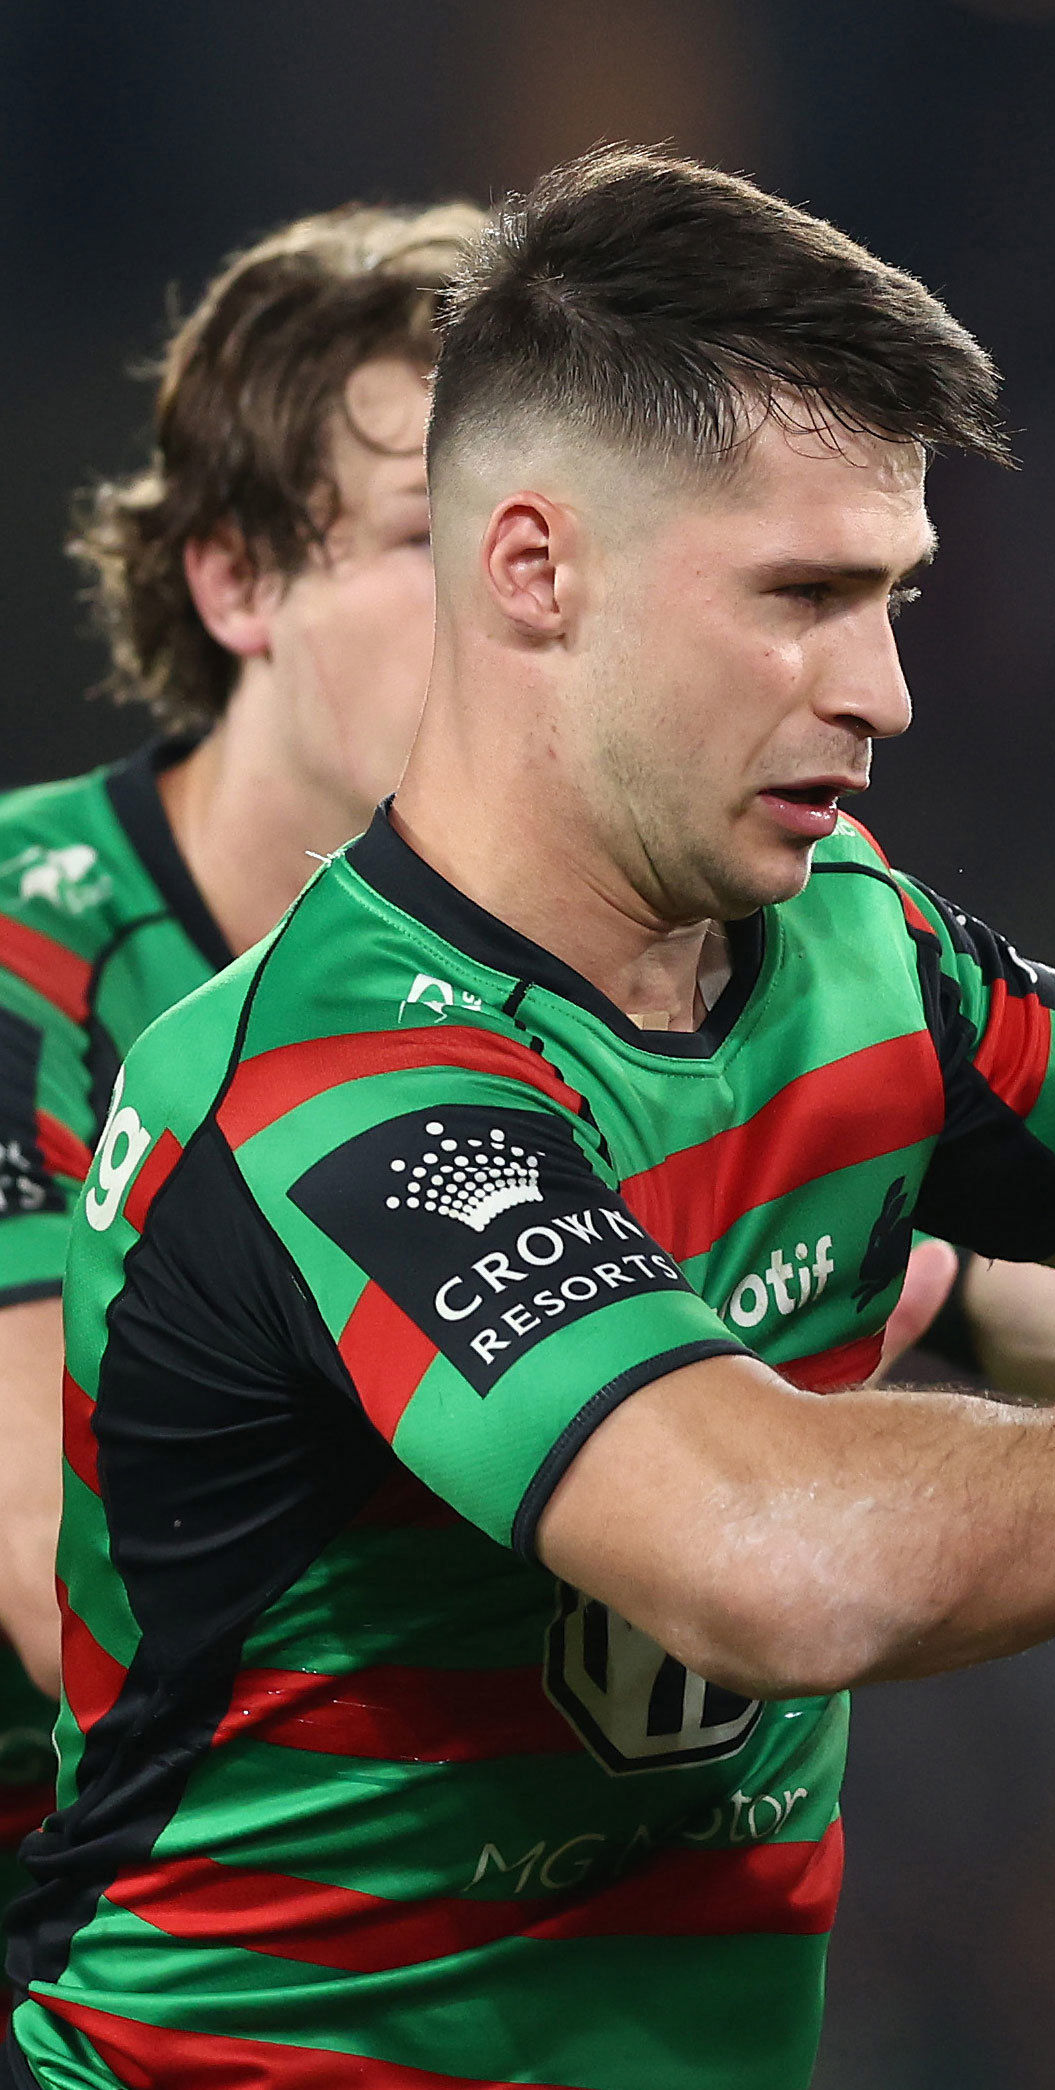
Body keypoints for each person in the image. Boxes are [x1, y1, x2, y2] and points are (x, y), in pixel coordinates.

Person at [8, 149, 1055, 2090]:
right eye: (805, 597)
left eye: (896, 594)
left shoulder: (841, 940)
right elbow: (781, 1558)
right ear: (528, 569)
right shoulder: (330, 1075)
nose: (891, 688)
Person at [0, 199, 489, 1913]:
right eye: (426, 538)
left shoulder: (520, 966)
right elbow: (65, 1594)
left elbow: (985, 1276)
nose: (503, 606)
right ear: (234, 577)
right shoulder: (23, 957)